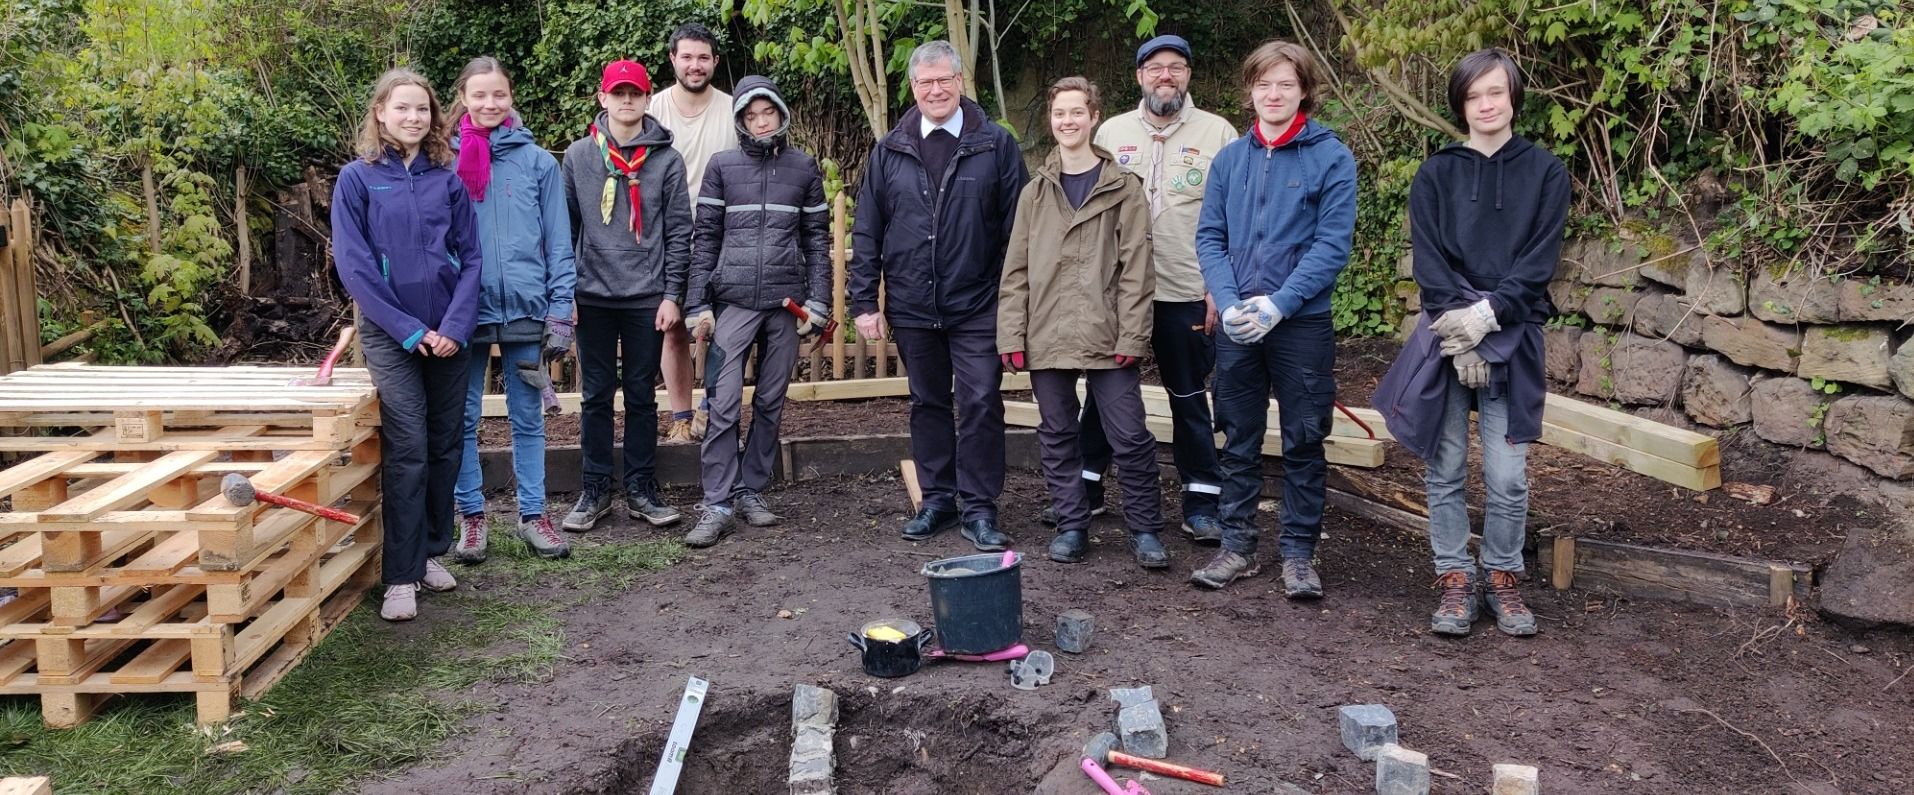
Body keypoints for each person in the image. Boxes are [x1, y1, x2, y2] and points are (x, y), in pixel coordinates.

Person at [1372, 49, 1567, 637]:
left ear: (1513, 98)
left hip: (1515, 336)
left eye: (1496, 93)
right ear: (1461, 103)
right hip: (1447, 339)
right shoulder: (1437, 174)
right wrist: (1460, 335)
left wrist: (1488, 318)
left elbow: (1538, 263)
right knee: (1446, 464)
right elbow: (1431, 265)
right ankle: (1455, 577)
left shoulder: (1546, 172)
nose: (1487, 105)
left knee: (1508, 475)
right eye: (1475, 95)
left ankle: (1503, 576)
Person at [1190, 40, 1357, 596]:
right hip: (1239, 324)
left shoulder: (1331, 157)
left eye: (1286, 83)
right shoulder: (1230, 160)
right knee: (1238, 435)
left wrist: (1280, 303)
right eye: (1264, 84)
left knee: (1305, 438)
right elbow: (1210, 236)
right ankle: (1235, 546)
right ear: (1250, 92)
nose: (1274, 93)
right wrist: (1230, 299)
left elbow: (1332, 245)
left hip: (1301, 324)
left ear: (1304, 89)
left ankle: (1298, 556)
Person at [1057, 34, 1238, 543]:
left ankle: (1202, 501)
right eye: (1155, 68)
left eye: (1176, 67)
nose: (1166, 76)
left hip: (1187, 287)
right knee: (1103, 392)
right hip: (1119, 294)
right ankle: (1087, 491)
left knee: (1186, 396)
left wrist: (1218, 290)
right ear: (1139, 76)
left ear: (1188, 75)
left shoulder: (1219, 134)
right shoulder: (1111, 133)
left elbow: (1233, 218)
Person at [848, 40, 1028, 552]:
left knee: (979, 401)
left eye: (943, 80)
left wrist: (1013, 301)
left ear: (960, 83)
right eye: (924, 83)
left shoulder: (994, 145)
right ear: (912, 88)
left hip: (978, 303)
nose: (934, 90)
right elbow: (867, 229)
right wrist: (864, 301)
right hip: (911, 303)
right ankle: (938, 500)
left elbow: (1018, 229)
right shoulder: (890, 149)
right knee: (927, 402)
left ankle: (979, 507)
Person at [330, 68, 483, 621]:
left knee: (447, 443)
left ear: (435, 117)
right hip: (393, 336)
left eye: (422, 109)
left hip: (450, 336)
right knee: (409, 445)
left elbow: (471, 258)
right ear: (380, 113)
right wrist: (410, 330)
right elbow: (356, 265)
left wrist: (455, 327)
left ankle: (429, 554)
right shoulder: (357, 179)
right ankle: (399, 574)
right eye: (402, 108)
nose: (413, 117)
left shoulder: (448, 179)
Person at [998, 77, 1166, 569]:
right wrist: (1011, 334)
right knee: (1057, 433)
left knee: (1130, 434)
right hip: (1046, 330)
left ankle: (1145, 529)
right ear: (1051, 121)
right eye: (1059, 114)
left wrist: (1133, 334)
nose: (1067, 121)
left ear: (1094, 117)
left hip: (1107, 331)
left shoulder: (1123, 189)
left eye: (1076, 112)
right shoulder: (1035, 193)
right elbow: (1016, 270)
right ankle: (1072, 524)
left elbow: (1138, 269)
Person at [682, 76, 831, 547]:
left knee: (769, 402)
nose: (761, 121)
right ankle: (717, 503)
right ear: (741, 121)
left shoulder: (803, 167)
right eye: (751, 115)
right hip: (734, 302)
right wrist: (697, 302)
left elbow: (817, 241)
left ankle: (751, 490)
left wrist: (819, 302)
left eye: (768, 113)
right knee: (723, 404)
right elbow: (704, 238)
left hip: (785, 305)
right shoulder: (722, 166)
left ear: (781, 115)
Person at [442, 57, 577, 564]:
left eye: (498, 94)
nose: (489, 104)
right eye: (479, 95)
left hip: (525, 307)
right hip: (464, 310)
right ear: (464, 97)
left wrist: (560, 308)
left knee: (528, 417)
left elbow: (559, 243)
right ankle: (471, 518)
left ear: (510, 96)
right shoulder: (444, 159)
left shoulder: (539, 162)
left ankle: (534, 514)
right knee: (463, 417)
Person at [559, 59, 691, 533]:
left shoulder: (666, 161)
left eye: (635, 93)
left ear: (648, 98)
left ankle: (640, 487)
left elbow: (679, 233)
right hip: (591, 294)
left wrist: (672, 294)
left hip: (645, 295)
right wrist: (564, 292)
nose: (627, 101)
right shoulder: (577, 157)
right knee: (594, 395)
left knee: (640, 394)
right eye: (619, 93)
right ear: (603, 98)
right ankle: (594, 489)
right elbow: (565, 230)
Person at [649, 22, 739, 444]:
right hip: (671, 236)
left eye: (703, 57)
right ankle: (681, 416)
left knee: (725, 328)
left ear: (715, 62)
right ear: (673, 59)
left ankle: (711, 409)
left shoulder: (734, 108)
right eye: (686, 56)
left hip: (726, 234)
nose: (695, 65)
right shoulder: (654, 109)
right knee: (674, 329)